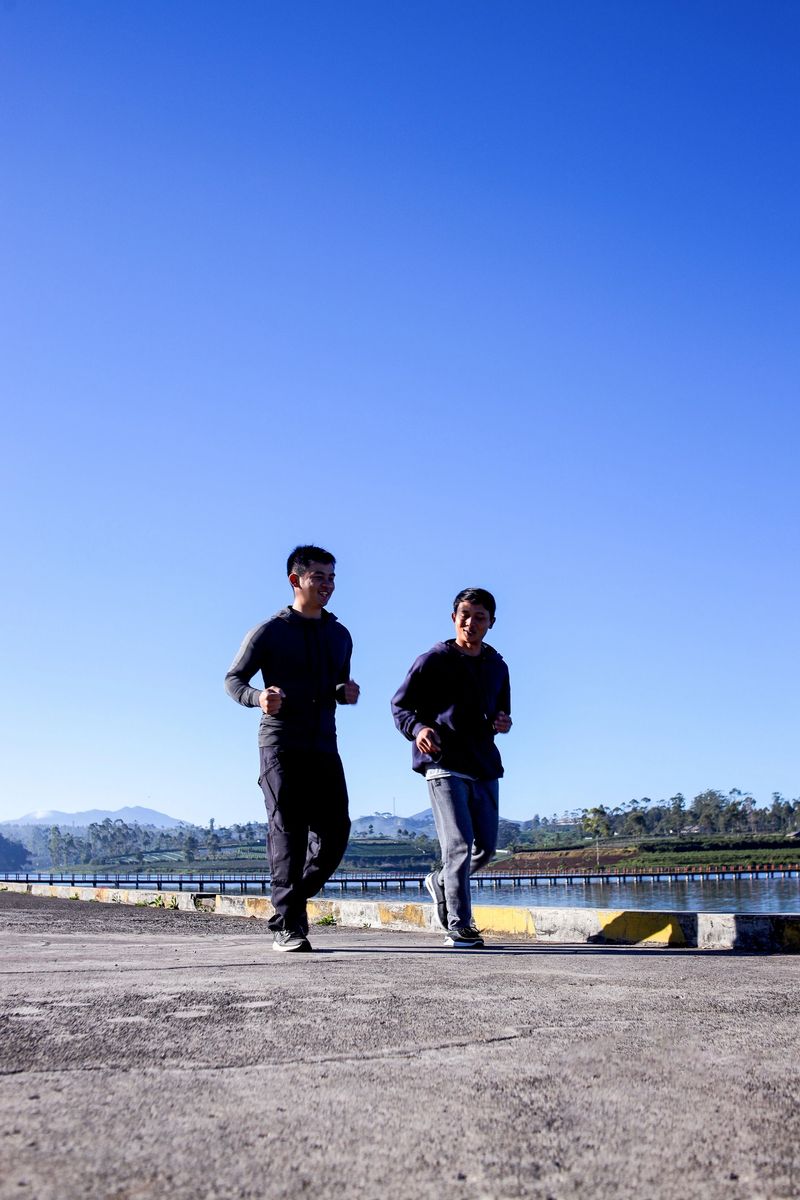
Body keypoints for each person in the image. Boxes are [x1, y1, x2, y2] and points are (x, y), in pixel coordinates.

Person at [224, 545, 360, 952]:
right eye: (319, 576)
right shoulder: (269, 631)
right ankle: (288, 925)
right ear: (295, 579)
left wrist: (345, 691)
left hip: (324, 745)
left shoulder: (340, 635)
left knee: (336, 833)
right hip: (280, 744)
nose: (328, 585)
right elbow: (233, 680)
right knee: (289, 833)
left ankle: (290, 903)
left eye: (332, 577)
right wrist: (258, 697)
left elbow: (337, 684)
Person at [391, 588, 512, 948]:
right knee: (459, 845)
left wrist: (502, 723)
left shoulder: (497, 666)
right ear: (453, 617)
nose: (471, 622)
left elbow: (499, 714)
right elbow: (400, 707)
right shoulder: (433, 660)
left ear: (491, 623)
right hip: (444, 764)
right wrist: (419, 729)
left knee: (485, 849)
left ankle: (441, 881)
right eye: (464, 614)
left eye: (479, 617)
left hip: (483, 764)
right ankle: (459, 925)